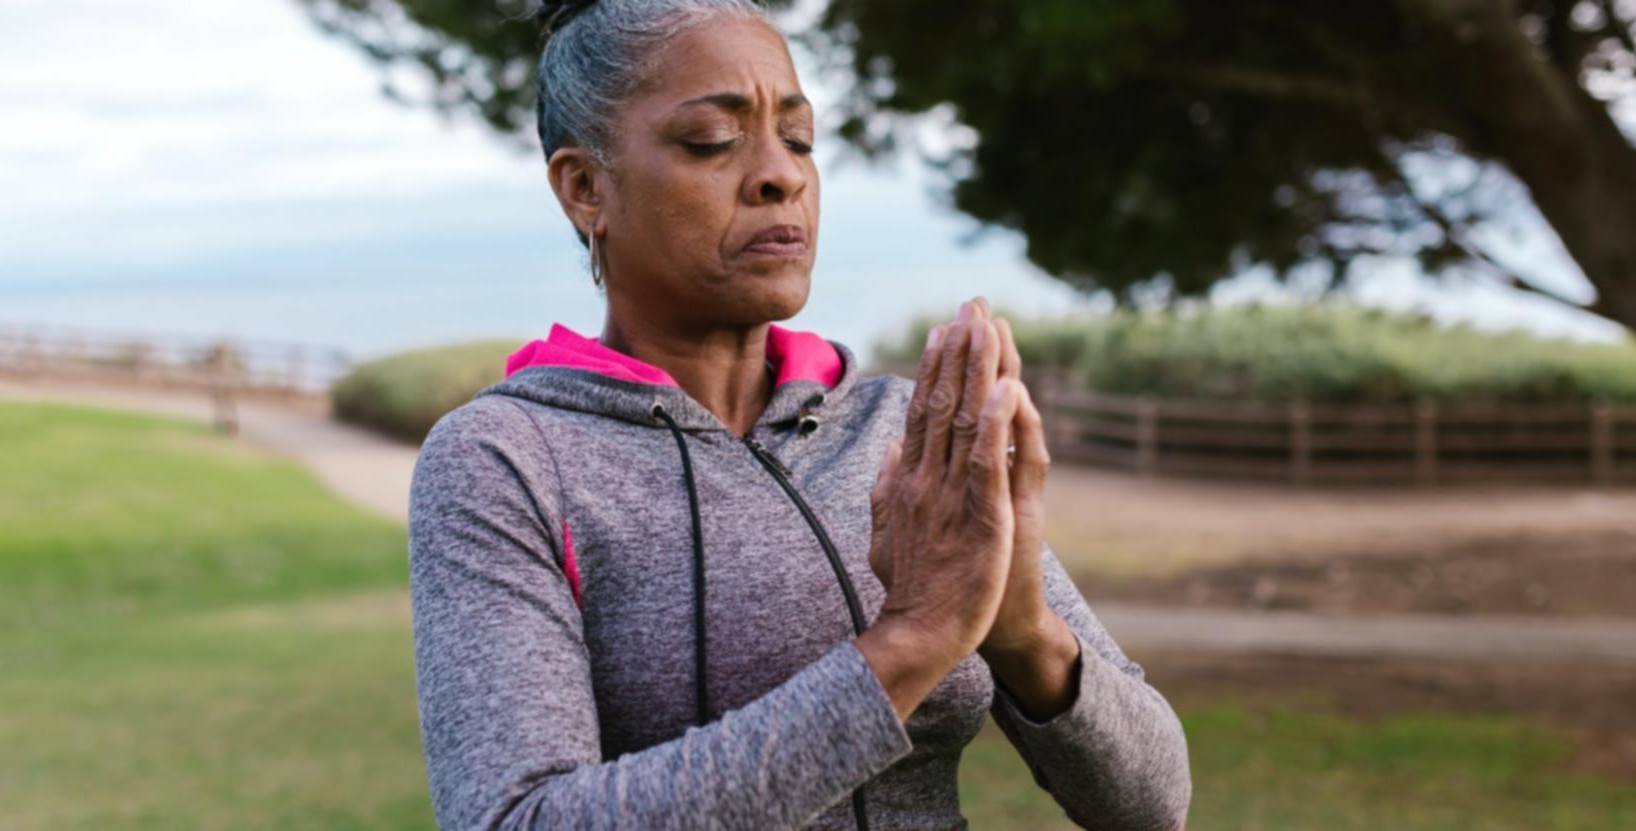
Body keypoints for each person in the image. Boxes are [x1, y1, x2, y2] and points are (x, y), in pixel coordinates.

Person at [405, 0, 1193, 827]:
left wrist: (1024, 627)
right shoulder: (507, 460)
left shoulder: (900, 436)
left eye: (798, 138)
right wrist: (909, 645)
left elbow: (1153, 804)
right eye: (712, 140)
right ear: (583, 187)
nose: (779, 175)